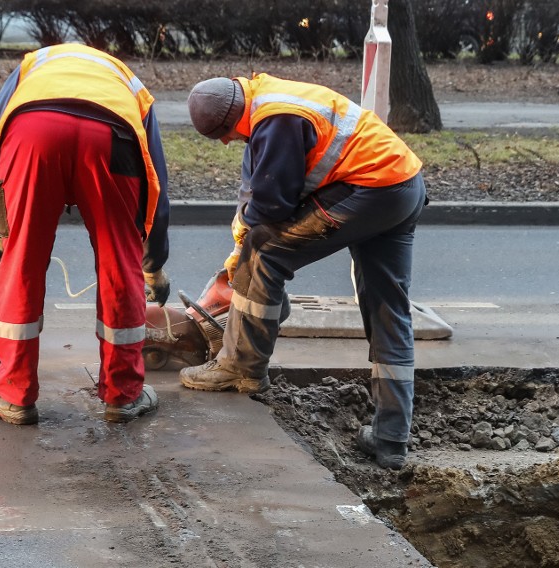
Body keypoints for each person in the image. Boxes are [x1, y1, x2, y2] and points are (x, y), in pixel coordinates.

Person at [182, 73, 426, 469]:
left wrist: (245, 249)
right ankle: (390, 438)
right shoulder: (263, 97)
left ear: (231, 120)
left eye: (224, 134)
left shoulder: (277, 119)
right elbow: (256, 189)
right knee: (388, 310)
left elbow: (273, 207)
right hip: (402, 185)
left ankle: (240, 368)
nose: (227, 142)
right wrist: (240, 240)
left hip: (370, 190)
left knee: (265, 253)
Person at [0, 44, 172, 425]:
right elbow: (155, 181)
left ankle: (14, 395)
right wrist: (152, 265)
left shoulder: (33, 65)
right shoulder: (128, 80)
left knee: (22, 262)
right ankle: (123, 396)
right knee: (119, 265)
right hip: (112, 138)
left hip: (32, 133)